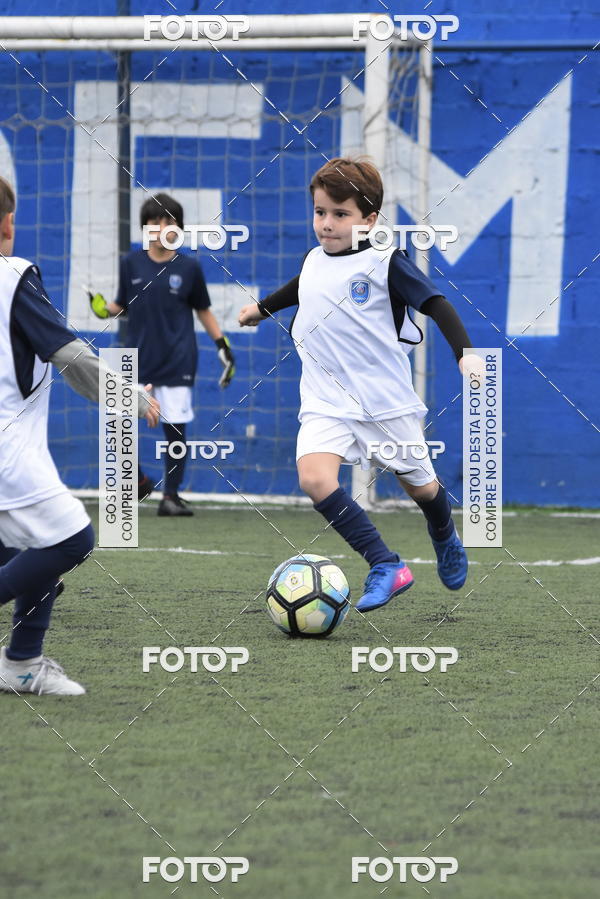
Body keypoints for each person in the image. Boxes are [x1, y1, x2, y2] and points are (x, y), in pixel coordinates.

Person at [238, 157, 473, 613]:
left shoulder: (386, 261)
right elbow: (302, 288)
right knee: (314, 478)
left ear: (369, 220)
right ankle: (385, 563)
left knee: (422, 489)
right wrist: (261, 309)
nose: (326, 224)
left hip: (384, 404)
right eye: (320, 212)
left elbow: (437, 303)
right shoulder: (312, 260)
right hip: (326, 401)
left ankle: (444, 532)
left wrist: (464, 353)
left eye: (339, 215)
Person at [0, 176, 160, 694]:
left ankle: (22, 661)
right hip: (8, 450)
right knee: (72, 537)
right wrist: (128, 396)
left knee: (30, 544)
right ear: (8, 223)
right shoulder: (14, 277)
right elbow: (69, 357)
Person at [89, 192, 235, 517]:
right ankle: (138, 481)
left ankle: (170, 496)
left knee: (176, 432)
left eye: (169, 220)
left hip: (178, 361)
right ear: (145, 227)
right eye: (154, 220)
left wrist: (223, 346)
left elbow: (204, 312)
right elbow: (120, 305)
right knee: (118, 424)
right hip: (136, 361)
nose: (161, 226)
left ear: (179, 228)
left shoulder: (190, 268)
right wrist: (101, 309)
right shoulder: (131, 263)